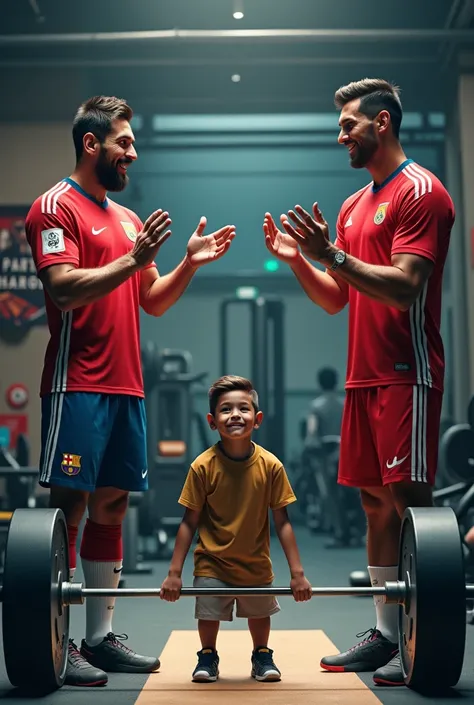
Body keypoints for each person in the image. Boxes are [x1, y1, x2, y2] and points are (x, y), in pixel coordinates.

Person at [25, 95, 236, 687]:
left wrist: (186, 265)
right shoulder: (53, 208)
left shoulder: (126, 219)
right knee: (68, 506)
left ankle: (96, 639)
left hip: (128, 388)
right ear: (92, 144)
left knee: (113, 505)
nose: (133, 153)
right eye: (124, 142)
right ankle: (55, 641)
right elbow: (64, 290)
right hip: (77, 385)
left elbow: (152, 300)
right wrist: (132, 259)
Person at [263, 78, 454, 687]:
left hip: (406, 373)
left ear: (383, 124)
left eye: (349, 124)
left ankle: (428, 633)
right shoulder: (350, 206)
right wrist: (301, 261)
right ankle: (388, 635)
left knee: (408, 503)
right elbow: (336, 299)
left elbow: (403, 286)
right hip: (360, 379)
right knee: (373, 502)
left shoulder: (423, 193)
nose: (340, 134)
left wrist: (335, 256)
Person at [159, 375, 312, 683]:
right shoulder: (202, 466)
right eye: (225, 410)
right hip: (211, 561)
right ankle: (207, 655)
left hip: (254, 561)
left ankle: (262, 654)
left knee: (259, 612)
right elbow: (189, 522)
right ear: (212, 421)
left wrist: (297, 573)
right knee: (208, 612)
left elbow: (282, 522)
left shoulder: (271, 466)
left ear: (257, 419)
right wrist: (174, 573)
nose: (235, 415)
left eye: (243, 408)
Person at [304, 367, 344, 445]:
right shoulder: (345, 404)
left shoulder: (315, 406)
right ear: (336, 382)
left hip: (323, 449)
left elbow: (312, 431)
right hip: (342, 446)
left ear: (320, 383)